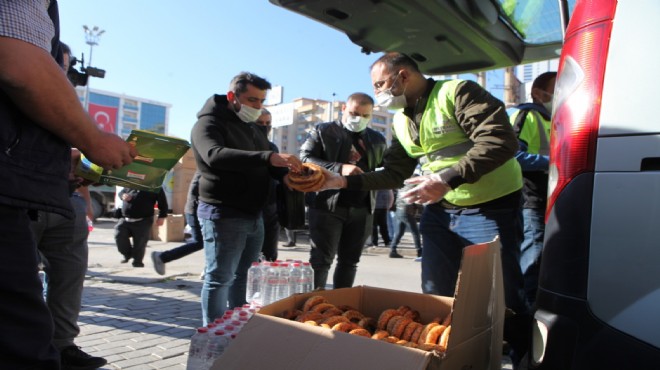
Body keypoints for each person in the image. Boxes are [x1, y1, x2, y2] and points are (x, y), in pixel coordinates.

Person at [317, 52, 530, 364]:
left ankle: (521, 354)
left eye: (380, 84)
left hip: (491, 206)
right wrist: (344, 183)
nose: (378, 93)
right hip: (442, 210)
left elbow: (500, 140)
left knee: (504, 293)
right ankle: (445, 354)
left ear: (403, 76)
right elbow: (394, 172)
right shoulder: (401, 120)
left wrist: (446, 179)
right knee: (435, 291)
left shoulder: (456, 92)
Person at [0, 3, 135, 368]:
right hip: (11, 193)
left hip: (45, 190)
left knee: (59, 284)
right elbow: (20, 63)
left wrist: (70, 165)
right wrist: (95, 139)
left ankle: (63, 344)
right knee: (21, 338)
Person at [191, 72, 302, 325]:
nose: (258, 107)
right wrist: (268, 158)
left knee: (246, 276)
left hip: (255, 214)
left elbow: (267, 164)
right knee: (220, 278)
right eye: (252, 100)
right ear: (232, 96)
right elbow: (214, 155)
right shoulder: (207, 124)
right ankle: (213, 331)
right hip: (224, 212)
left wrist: (289, 177)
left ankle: (236, 326)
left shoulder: (253, 128)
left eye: (262, 101)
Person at [29, 42, 107, 370]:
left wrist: (86, 189)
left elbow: (78, 151)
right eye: (55, 66)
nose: (61, 74)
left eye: (64, 68)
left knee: (69, 279)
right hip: (23, 200)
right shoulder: (15, 89)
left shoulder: (68, 102)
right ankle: (27, 348)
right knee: (20, 282)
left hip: (65, 200)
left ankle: (63, 345)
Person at [300, 92, 387, 290]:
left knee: (350, 262)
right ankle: (313, 305)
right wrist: (339, 167)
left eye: (365, 116)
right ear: (344, 109)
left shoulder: (377, 139)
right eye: (355, 113)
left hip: (362, 208)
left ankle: (340, 305)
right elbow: (305, 158)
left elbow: (386, 168)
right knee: (321, 261)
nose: (359, 120)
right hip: (328, 205)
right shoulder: (323, 131)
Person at [510, 71, 556, 307]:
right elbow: (512, 155)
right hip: (531, 200)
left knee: (545, 262)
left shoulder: (556, 119)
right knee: (533, 260)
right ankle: (525, 320)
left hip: (552, 200)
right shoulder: (527, 115)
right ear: (538, 93)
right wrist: (554, 162)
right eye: (557, 88)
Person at [151, 171, 202, 275]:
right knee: (200, 242)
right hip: (197, 211)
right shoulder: (206, 170)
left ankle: (211, 270)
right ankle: (162, 257)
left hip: (198, 210)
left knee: (210, 242)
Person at [114, 187, 168, 267]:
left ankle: (137, 261)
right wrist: (123, 195)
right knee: (119, 234)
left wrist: (162, 217)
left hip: (143, 220)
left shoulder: (155, 186)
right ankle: (127, 254)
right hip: (125, 218)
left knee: (140, 242)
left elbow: (163, 203)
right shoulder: (131, 182)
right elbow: (121, 193)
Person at [255, 109, 281, 262]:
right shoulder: (242, 145)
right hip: (250, 209)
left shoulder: (272, 147)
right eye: (260, 123)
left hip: (270, 207)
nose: (264, 127)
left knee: (269, 255)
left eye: (268, 123)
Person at [389, 182, 423, 260]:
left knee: (399, 232)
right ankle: (419, 252)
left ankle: (393, 250)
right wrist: (422, 211)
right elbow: (416, 201)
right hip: (407, 211)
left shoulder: (402, 187)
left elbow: (397, 199)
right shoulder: (413, 189)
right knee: (415, 232)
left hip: (399, 210)